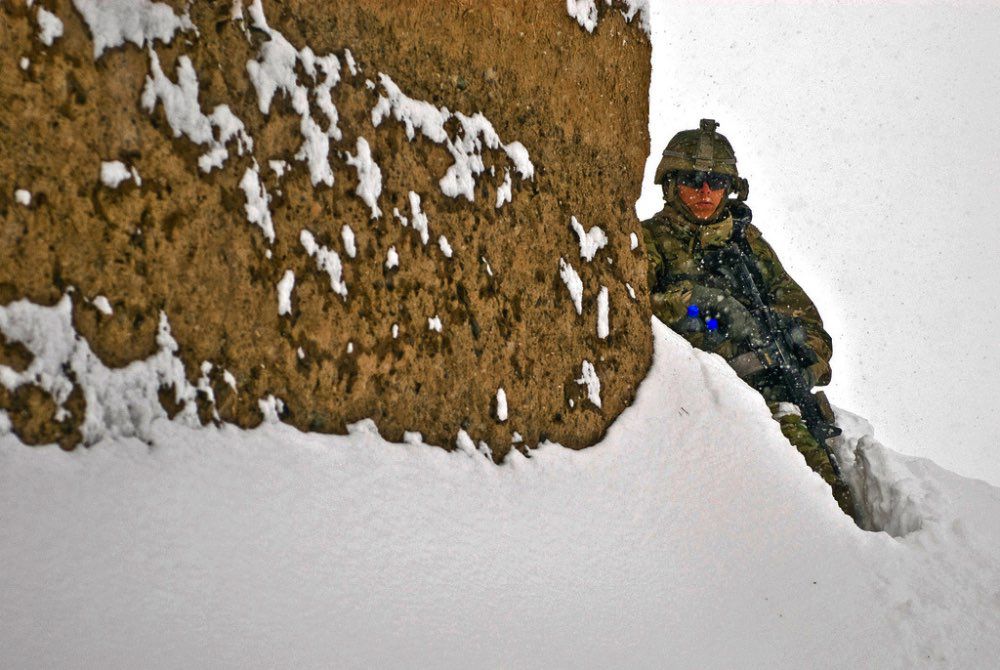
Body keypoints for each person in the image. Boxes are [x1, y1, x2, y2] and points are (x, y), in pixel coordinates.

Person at [642, 119, 856, 518]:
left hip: (774, 393)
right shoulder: (650, 240)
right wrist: (702, 304)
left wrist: (797, 348)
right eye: (693, 179)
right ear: (670, 185)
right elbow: (636, 305)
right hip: (701, 399)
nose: (705, 192)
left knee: (825, 496)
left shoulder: (748, 246)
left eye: (716, 182)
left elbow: (811, 326)